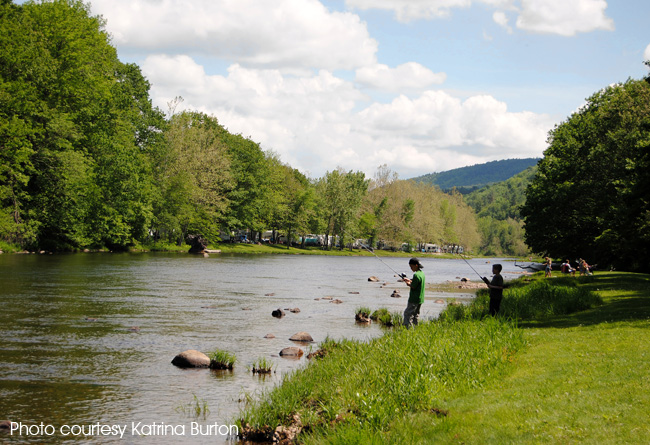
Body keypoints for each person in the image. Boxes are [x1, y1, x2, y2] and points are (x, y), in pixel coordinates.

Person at [403, 257, 425, 327]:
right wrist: (409, 280)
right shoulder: (421, 273)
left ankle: (407, 328)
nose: (411, 268)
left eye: (411, 266)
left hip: (414, 299)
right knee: (416, 314)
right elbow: (417, 282)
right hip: (420, 299)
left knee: (408, 314)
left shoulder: (416, 275)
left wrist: (408, 283)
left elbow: (413, 286)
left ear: (416, 265)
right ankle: (415, 328)